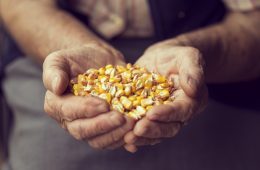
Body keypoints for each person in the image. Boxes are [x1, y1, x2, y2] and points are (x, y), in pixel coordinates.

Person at [0, 0, 260, 170]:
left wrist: (197, 55)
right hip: (55, 43)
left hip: (215, 55)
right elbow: (20, 6)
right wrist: (73, 48)